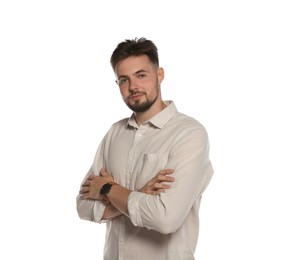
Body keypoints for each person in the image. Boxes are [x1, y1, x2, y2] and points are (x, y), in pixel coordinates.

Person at [76, 37, 214, 260]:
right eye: (123, 80)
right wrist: (139, 195)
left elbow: (165, 218)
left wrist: (106, 190)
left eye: (141, 75)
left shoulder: (189, 134)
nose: (133, 87)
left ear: (159, 75)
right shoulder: (114, 133)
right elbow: (82, 206)